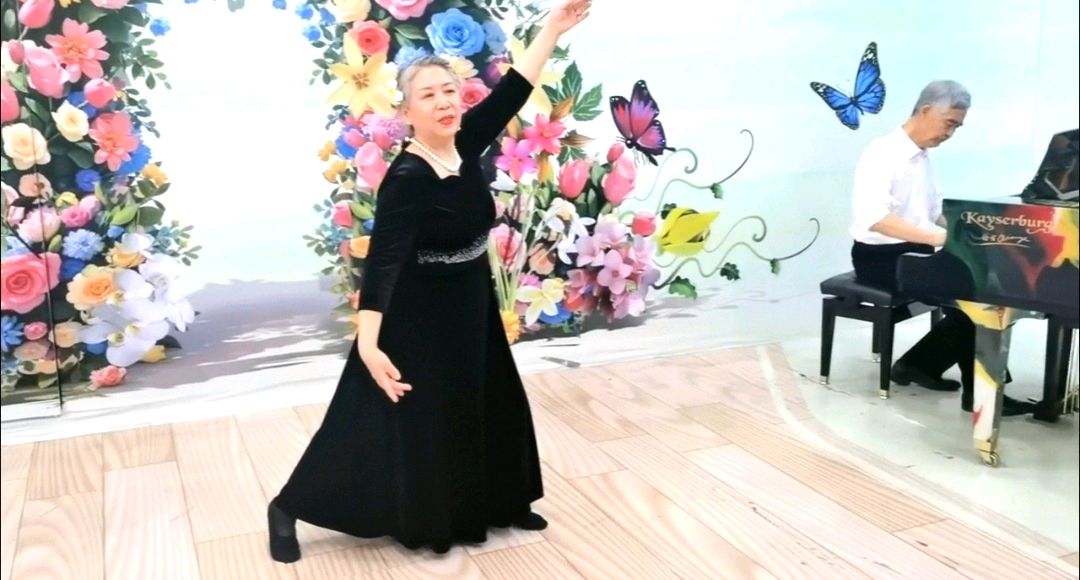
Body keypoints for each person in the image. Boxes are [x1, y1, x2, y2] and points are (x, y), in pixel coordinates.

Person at [267, 0, 592, 562]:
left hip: (471, 298)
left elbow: (514, 90)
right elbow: (384, 261)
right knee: (380, 420)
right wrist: (369, 343)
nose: (444, 102)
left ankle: (501, 500)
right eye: (429, 95)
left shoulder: (463, 143)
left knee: (490, 399)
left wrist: (551, 29)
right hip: (418, 314)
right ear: (407, 112)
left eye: (450, 91)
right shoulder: (408, 178)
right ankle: (287, 507)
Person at [849, 80, 1034, 416]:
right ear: (925, 110)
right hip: (880, 259)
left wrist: (976, 233)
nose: (950, 133)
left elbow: (935, 213)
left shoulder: (922, 158)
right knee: (977, 297)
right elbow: (875, 219)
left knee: (990, 287)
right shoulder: (881, 154)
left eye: (956, 127)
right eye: (948, 123)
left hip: (914, 252)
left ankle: (921, 365)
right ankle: (979, 393)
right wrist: (939, 240)